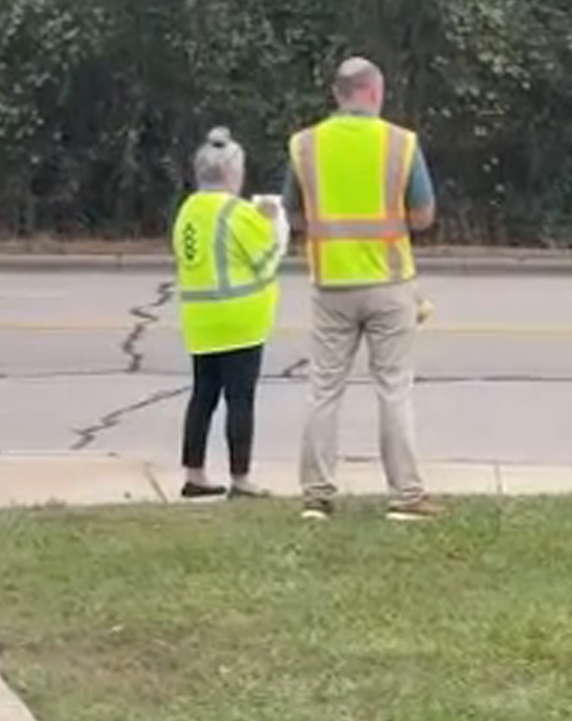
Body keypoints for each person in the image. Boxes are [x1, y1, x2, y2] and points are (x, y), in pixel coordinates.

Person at [282, 56, 442, 521]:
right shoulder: (400, 143)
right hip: (390, 281)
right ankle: (406, 496)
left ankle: (316, 496)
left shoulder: (305, 145)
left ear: (338, 94)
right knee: (393, 388)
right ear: (375, 92)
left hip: (331, 280)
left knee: (324, 387)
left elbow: (293, 213)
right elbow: (424, 214)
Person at [170, 127, 286, 500]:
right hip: (240, 319)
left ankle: (194, 472)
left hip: (200, 319)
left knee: (202, 395)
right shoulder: (238, 212)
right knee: (240, 399)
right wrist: (273, 222)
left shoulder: (188, 210)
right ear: (233, 172)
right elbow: (269, 257)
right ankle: (240, 478)